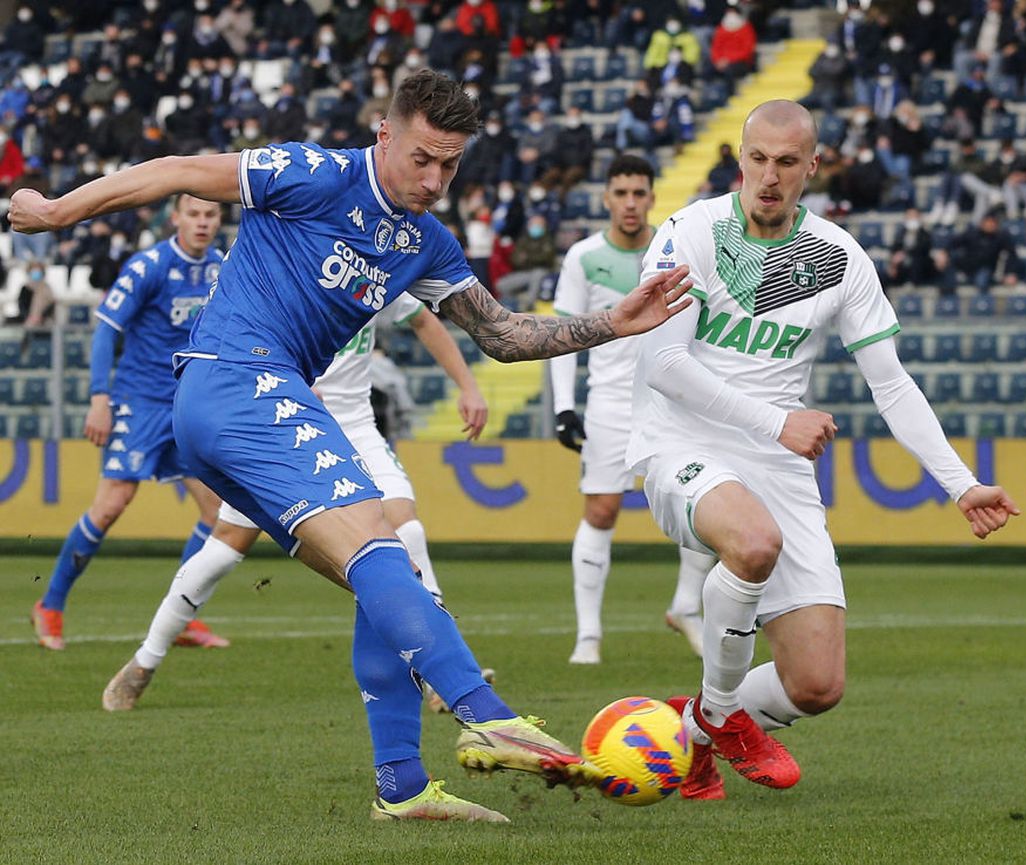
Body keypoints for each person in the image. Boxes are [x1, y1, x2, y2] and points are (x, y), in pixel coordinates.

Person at [10, 69, 692, 823]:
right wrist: (57, 210)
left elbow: (503, 333)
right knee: (380, 548)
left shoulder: (426, 242)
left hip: (263, 398)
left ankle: (401, 787)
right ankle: (487, 711)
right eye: (423, 158)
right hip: (234, 378)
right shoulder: (313, 173)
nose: (435, 179)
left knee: (381, 572)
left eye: (451, 164)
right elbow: (177, 170)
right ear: (384, 135)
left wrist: (611, 323)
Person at [627, 100, 1019, 800]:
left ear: (812, 166)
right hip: (679, 438)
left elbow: (892, 384)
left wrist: (962, 484)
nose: (769, 176)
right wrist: (777, 421)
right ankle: (722, 715)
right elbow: (663, 365)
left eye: (786, 162)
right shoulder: (690, 233)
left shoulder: (838, 257)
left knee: (816, 684)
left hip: (776, 459)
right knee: (751, 541)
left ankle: (687, 728)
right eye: (757, 159)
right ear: (738, 159)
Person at [102, 293, 489, 714]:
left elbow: (425, 322)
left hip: (357, 428)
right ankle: (145, 660)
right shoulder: (290, 270)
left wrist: (469, 387)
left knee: (406, 528)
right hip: (288, 424)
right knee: (222, 551)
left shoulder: (379, 268)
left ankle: (439, 675)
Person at [30, 195, 228, 652]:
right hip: (139, 402)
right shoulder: (149, 266)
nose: (202, 223)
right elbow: (106, 329)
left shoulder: (220, 267)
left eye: (210, 215)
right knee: (110, 506)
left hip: (188, 406)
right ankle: (51, 604)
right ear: (175, 218)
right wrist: (100, 397)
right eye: (193, 214)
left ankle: (179, 616)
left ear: (220, 220)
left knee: (217, 513)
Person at [548, 154, 715, 665]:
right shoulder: (584, 257)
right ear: (606, 199)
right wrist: (563, 405)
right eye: (620, 193)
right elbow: (563, 332)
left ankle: (686, 606)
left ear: (651, 197)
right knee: (601, 511)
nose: (630, 203)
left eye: (639, 193)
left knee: (704, 505)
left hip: (671, 400)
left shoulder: (676, 249)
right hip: (611, 402)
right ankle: (589, 637)